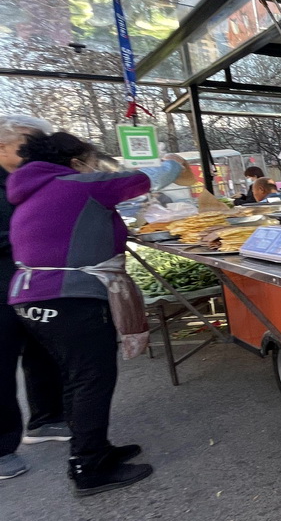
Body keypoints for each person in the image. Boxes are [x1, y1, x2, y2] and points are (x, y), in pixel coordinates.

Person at [6, 132, 192, 496]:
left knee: (77, 378)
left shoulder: (33, 190)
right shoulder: (78, 185)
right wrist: (174, 162)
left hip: (31, 297)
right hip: (68, 297)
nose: (95, 168)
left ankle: (97, 450)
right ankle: (88, 466)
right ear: (76, 162)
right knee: (92, 379)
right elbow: (152, 178)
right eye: (92, 161)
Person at [0, 115, 69, 481]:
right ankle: (1, 446)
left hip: (36, 284)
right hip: (3, 283)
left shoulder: (29, 180)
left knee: (42, 352)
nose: (34, 153)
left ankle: (46, 419)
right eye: (27, 146)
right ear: (3, 146)